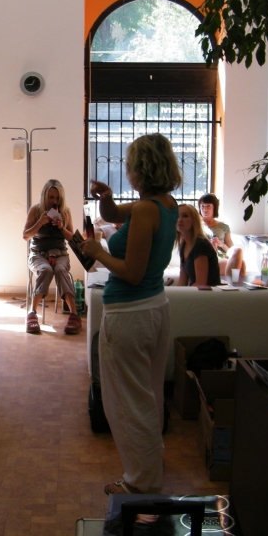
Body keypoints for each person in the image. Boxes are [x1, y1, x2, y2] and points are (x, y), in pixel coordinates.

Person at [78, 133, 181, 495]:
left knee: (125, 402)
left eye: (129, 164)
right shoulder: (164, 204)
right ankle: (149, 465)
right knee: (147, 395)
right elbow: (113, 214)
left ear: (140, 167)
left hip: (130, 316)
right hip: (154, 309)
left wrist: (98, 252)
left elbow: (131, 272)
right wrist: (106, 198)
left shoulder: (146, 209)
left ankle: (140, 482)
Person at [22, 179, 82, 335]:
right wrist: (40, 222)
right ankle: (32, 313)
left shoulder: (65, 212)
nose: (54, 201)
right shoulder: (35, 210)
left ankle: (74, 315)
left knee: (60, 270)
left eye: (57, 198)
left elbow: (72, 239)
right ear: (44, 196)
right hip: (38, 254)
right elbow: (25, 236)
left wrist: (62, 228)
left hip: (60, 253)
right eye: (51, 197)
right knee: (46, 269)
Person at [198, 193, 245, 280]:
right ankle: (234, 285)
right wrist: (209, 247)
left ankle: (232, 284)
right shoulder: (196, 226)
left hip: (223, 256)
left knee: (237, 250)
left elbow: (230, 250)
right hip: (207, 258)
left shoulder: (224, 227)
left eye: (208, 206)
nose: (205, 209)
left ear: (214, 208)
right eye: (202, 206)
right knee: (240, 265)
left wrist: (221, 244)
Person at [176, 204, 221, 287]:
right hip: (197, 293)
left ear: (194, 220)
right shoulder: (183, 244)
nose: (180, 219)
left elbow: (201, 284)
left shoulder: (200, 244)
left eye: (185, 216)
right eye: (177, 216)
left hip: (210, 293)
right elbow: (182, 282)